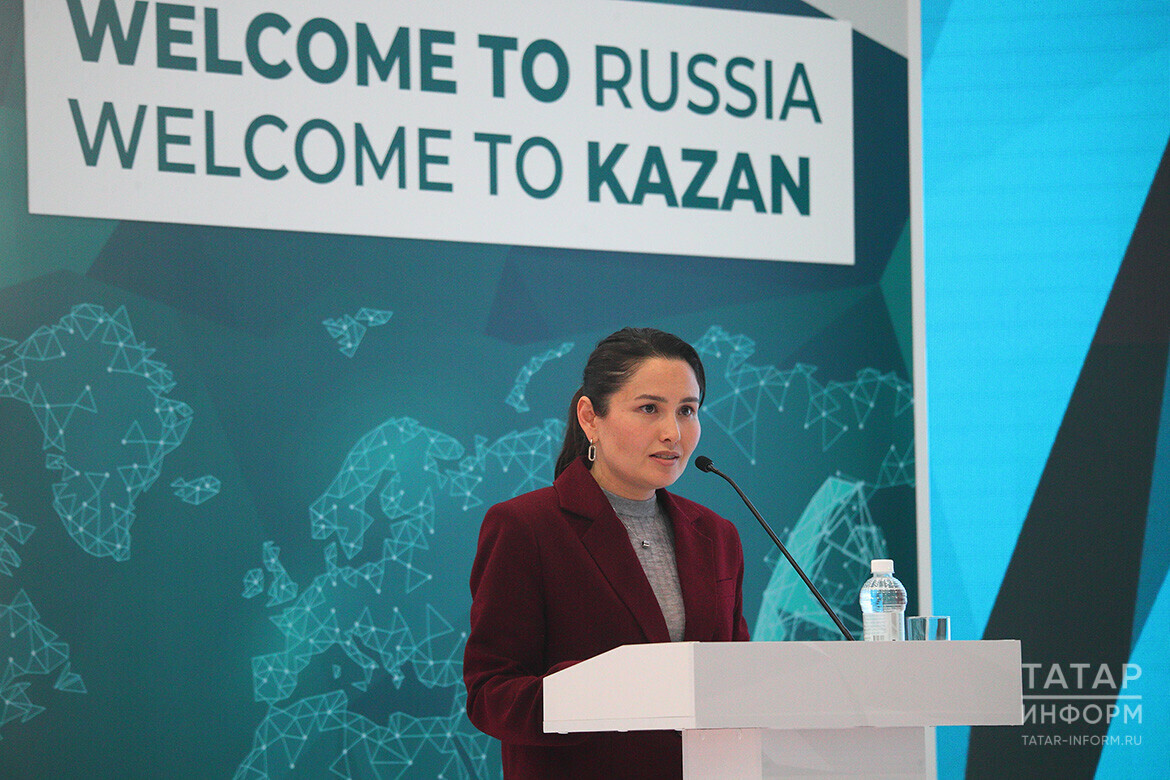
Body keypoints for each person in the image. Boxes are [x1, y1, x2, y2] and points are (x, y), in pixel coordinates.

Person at [463, 327, 751, 779]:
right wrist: (602, 690)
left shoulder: (717, 535)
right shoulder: (526, 527)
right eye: (649, 408)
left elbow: (736, 680)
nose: (673, 433)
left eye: (687, 410)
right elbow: (490, 696)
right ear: (590, 417)